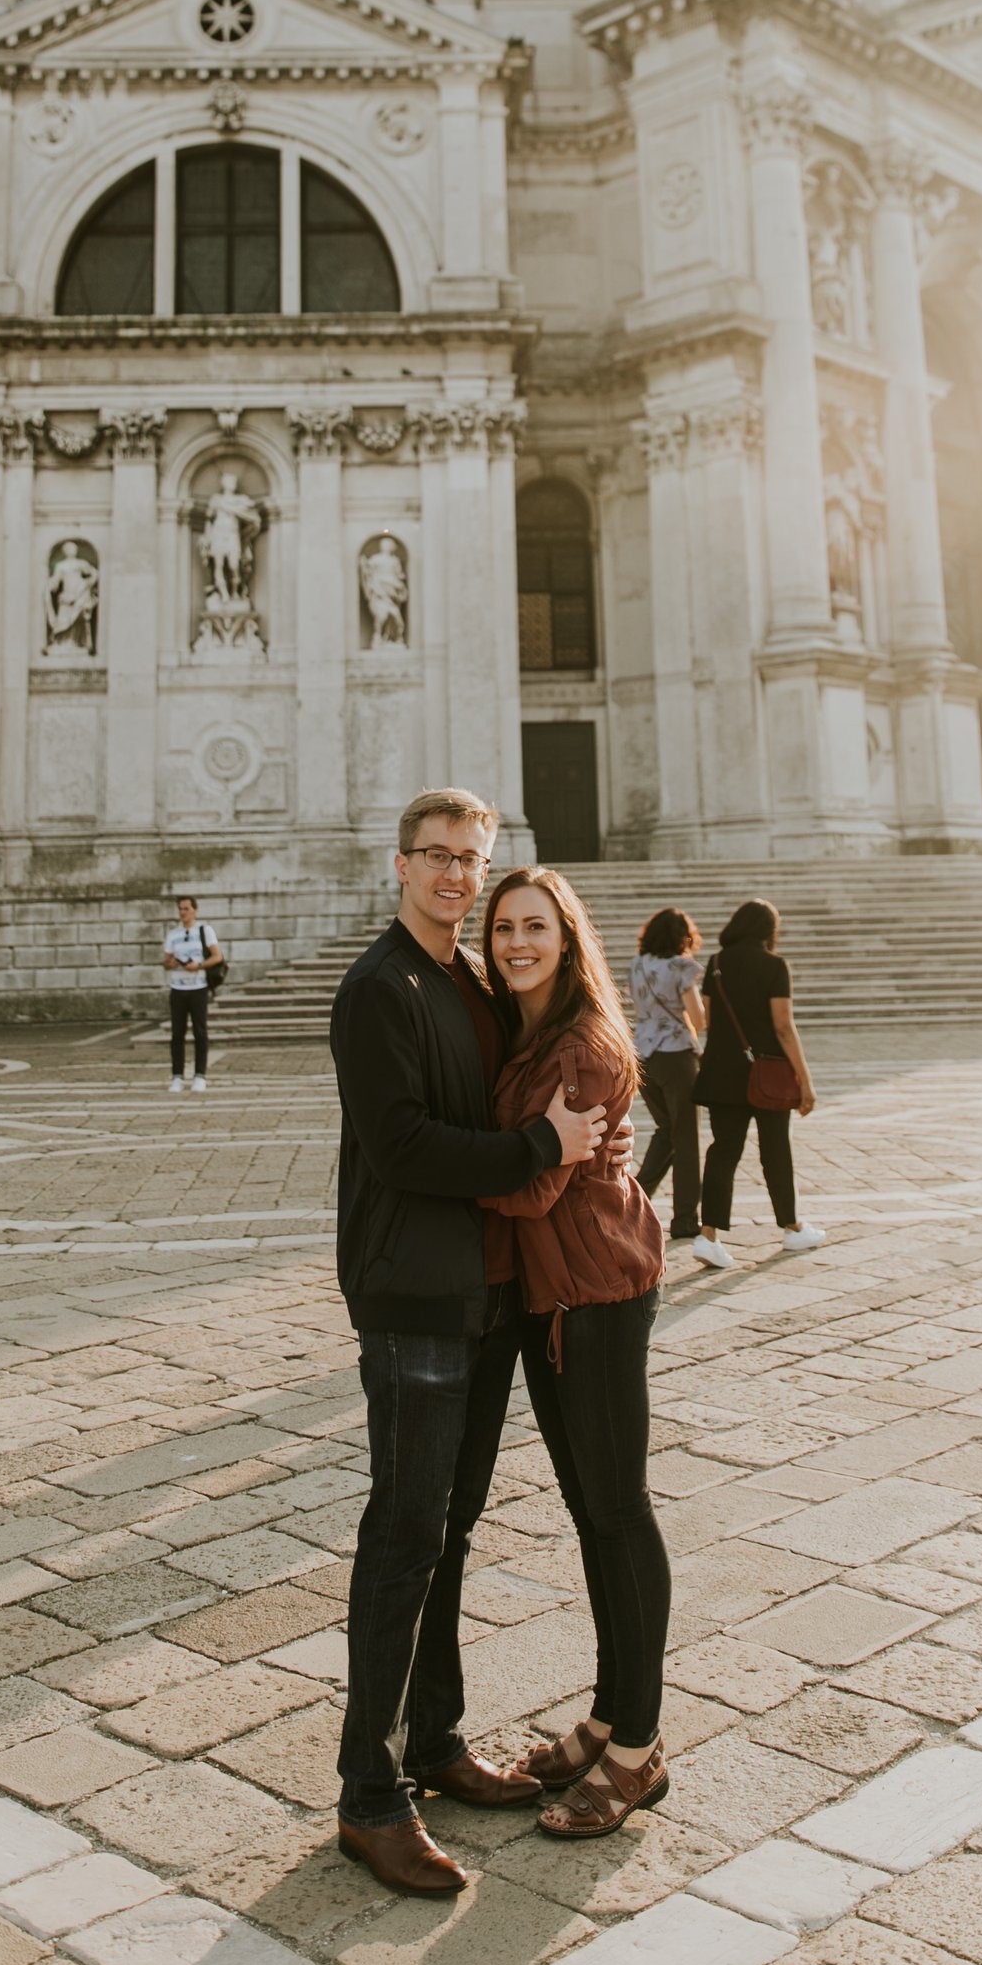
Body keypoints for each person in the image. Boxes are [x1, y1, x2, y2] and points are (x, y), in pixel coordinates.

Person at [329, 789, 610, 1896]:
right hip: (413, 1298)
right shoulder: (377, 990)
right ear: (400, 864)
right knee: (402, 1540)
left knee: (450, 1530)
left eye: (472, 860)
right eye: (438, 857)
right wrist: (543, 1141)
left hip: (483, 1298)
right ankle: (369, 1792)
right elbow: (400, 1148)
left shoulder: (473, 985)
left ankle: (434, 1742)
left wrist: (590, 1131)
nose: (456, 875)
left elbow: (528, 1089)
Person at [480, 867, 672, 1837]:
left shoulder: (582, 1046)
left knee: (618, 1512)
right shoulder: (525, 1034)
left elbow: (527, 1192)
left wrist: (427, 1168)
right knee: (595, 1515)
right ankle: (609, 1716)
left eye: (536, 928)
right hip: (558, 1298)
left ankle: (638, 1749)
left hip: (594, 1295)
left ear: (568, 939)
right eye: (504, 926)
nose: (518, 942)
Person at [693, 900, 820, 1268]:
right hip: (768, 1073)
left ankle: (708, 1236)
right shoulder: (775, 966)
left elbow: (709, 1020)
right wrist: (805, 1080)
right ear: (769, 931)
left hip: (722, 1072)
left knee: (723, 1153)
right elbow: (783, 1025)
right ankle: (793, 1227)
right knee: (776, 1150)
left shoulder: (716, 964)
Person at [628, 909, 705, 1243]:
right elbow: (699, 1019)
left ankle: (633, 1200)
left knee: (666, 1131)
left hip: (643, 1052)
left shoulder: (638, 964)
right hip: (676, 1053)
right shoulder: (681, 967)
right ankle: (686, 1218)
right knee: (686, 1137)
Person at [160, 895, 224, 1092]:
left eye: (186, 908)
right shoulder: (173, 935)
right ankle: (177, 1076)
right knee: (177, 1034)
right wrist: (171, 963)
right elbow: (166, 961)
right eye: (180, 909)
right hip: (178, 988)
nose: (183, 912)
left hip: (198, 987)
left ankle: (200, 1075)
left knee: (200, 1031)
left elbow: (217, 956)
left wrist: (199, 965)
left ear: (194, 910)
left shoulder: (205, 931)